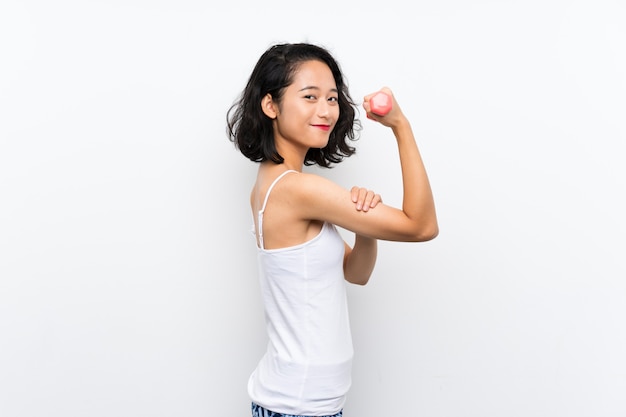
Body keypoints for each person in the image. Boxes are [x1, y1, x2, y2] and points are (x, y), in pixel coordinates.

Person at [226, 42, 438, 417]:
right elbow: (422, 226)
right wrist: (400, 127)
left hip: (300, 401)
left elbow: (356, 273)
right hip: (298, 406)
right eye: (309, 97)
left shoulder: (278, 184)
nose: (325, 111)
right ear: (270, 105)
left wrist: (365, 226)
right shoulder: (298, 190)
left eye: (332, 98)